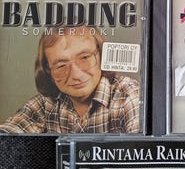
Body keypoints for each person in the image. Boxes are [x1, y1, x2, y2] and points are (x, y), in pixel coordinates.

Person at [0, 27, 140, 133]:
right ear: (48, 71)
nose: (76, 75)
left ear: (102, 55)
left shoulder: (129, 96)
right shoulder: (45, 104)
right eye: (61, 65)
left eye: (85, 57)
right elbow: (7, 136)